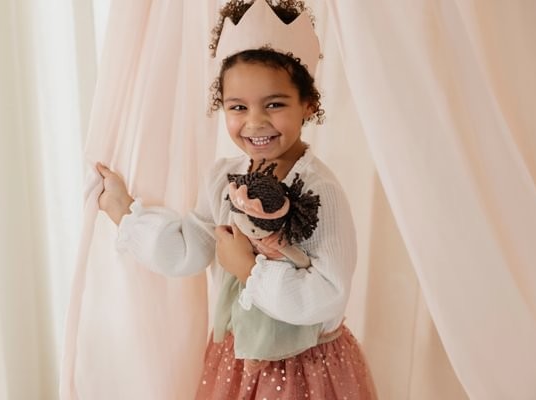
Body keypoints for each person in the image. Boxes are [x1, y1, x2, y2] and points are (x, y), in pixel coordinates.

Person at [96, 0, 377, 398]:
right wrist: (124, 212)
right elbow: (190, 248)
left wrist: (247, 269)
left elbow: (327, 295)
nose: (255, 122)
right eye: (238, 107)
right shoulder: (222, 180)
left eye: (274, 104)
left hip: (306, 371)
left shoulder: (319, 190)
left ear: (308, 104)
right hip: (238, 362)